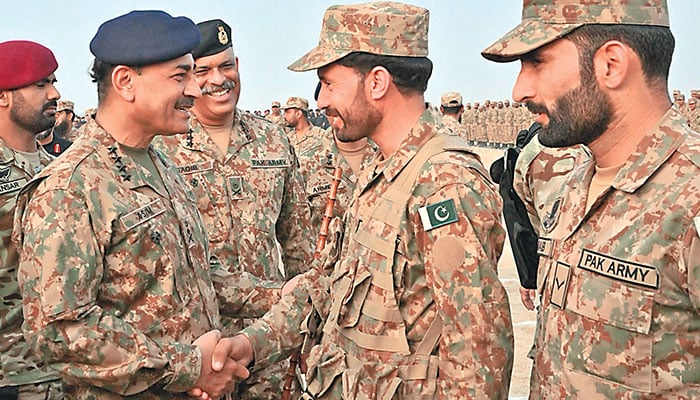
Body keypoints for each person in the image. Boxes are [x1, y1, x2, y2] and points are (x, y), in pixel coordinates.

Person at [223, 2, 514, 398]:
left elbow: (478, 352)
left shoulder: (444, 182)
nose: (321, 101)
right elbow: (327, 283)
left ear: (377, 83)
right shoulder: (380, 167)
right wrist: (253, 343)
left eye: (329, 83)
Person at [13, 11, 249, 399]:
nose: (195, 89)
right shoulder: (71, 187)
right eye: (180, 76)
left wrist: (286, 294)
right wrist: (189, 366)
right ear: (125, 82)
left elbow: (195, 275)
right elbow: (58, 329)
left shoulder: (160, 163)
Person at [482, 0, 700, 398]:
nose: (519, 91)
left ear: (611, 65)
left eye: (537, 62)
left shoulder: (689, 196)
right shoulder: (577, 184)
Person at [153, 18, 313, 400]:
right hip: (196, 349)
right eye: (203, 70)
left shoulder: (273, 139)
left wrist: (305, 317)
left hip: (269, 342)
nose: (218, 80)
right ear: (189, 78)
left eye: (226, 66)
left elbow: (299, 241)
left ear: (238, 65)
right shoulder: (162, 145)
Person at [0, 39, 62, 400]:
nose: (54, 93)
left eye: (53, 81)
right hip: (10, 375)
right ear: (3, 96)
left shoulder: (59, 169)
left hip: (62, 369)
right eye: (40, 84)